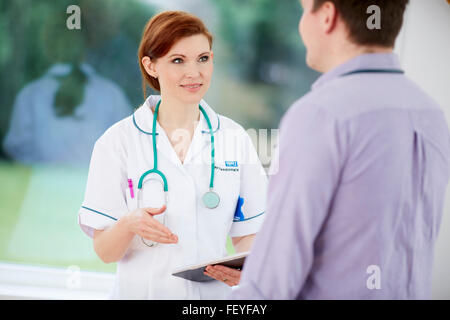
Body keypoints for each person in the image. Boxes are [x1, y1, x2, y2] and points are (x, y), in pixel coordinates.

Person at [231, 0, 450, 299]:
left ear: (327, 15)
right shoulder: (431, 113)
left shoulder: (321, 114)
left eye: (305, 9)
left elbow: (268, 289)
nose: (301, 22)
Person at [78, 11, 267, 299]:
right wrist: (129, 224)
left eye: (203, 58)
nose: (194, 73)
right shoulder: (117, 142)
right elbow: (105, 251)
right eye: (178, 60)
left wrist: (245, 270)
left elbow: (248, 234)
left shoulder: (235, 138)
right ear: (150, 65)